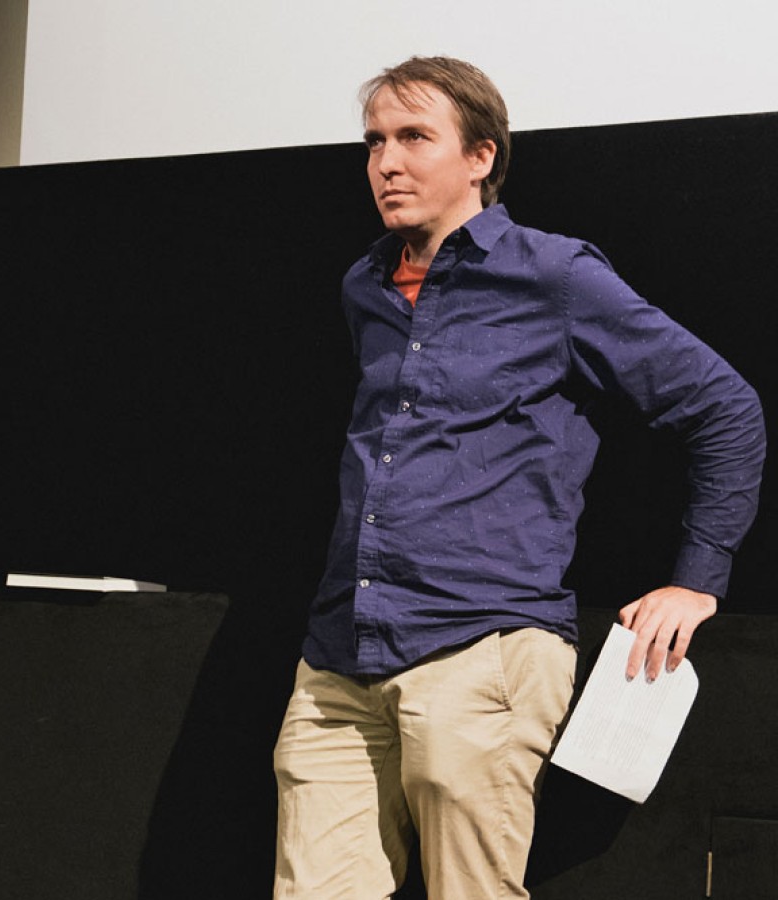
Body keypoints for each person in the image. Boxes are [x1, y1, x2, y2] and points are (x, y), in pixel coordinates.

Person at [272, 56, 764, 899]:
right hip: (340, 656)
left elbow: (724, 405)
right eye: (375, 141)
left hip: (480, 649)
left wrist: (698, 580)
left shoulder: (554, 276)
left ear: (481, 157)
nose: (386, 162)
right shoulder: (367, 284)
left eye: (414, 137)